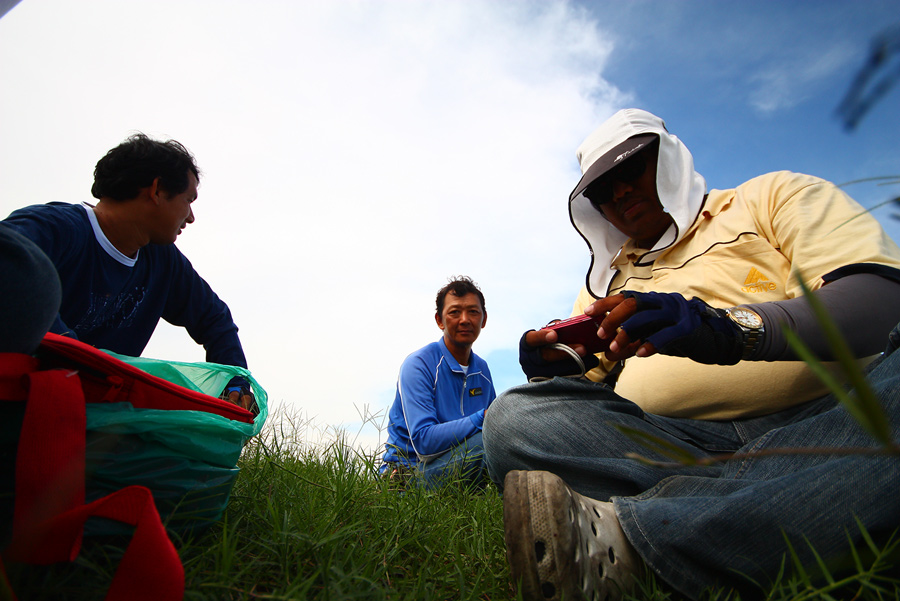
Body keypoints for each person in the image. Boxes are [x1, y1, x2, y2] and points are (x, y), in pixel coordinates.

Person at [483, 108, 900, 600]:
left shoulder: (769, 197)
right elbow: (583, 392)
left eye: (631, 170)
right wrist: (554, 368)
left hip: (834, 413)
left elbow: (882, 302)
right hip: (681, 448)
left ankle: (635, 547)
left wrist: (727, 330)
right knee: (513, 420)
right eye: (602, 189)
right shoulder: (610, 281)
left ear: (671, 160)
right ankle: (823, 488)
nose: (619, 194)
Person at [2, 134, 256, 412]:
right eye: (188, 199)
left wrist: (236, 382)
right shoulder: (54, 229)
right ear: (157, 190)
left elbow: (215, 319)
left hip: (94, 416)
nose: (191, 216)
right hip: (20, 404)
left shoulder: (162, 261)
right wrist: (77, 358)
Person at [381, 276, 496, 488]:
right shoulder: (419, 364)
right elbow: (424, 442)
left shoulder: (482, 371)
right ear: (439, 320)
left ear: (484, 319)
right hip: (411, 472)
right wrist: (483, 417)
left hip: (458, 461)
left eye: (473, 311)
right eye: (454, 312)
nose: (464, 319)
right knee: (488, 444)